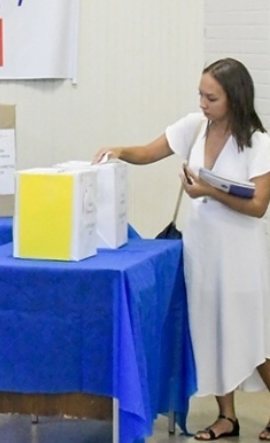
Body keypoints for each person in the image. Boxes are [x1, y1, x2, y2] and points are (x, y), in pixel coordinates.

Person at [95, 57, 270, 441]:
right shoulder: (194, 127)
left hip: (240, 252)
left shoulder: (259, 143)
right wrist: (119, 151)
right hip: (202, 247)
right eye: (201, 95)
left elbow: (258, 206)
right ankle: (228, 417)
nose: (204, 104)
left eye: (212, 98)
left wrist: (208, 190)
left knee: (252, 338)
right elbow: (149, 151)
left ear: (235, 99)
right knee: (211, 330)